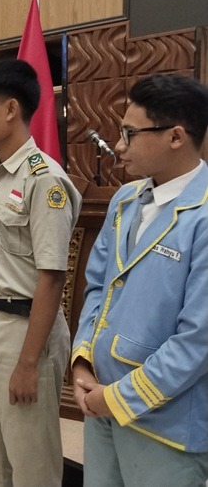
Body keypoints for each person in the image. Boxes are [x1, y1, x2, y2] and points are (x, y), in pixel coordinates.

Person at [0, 59, 81, 487]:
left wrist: (28, 363)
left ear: (10, 109)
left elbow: (52, 278)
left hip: (23, 331)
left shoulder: (45, 181)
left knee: (31, 461)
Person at [72, 75, 208, 486]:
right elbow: (98, 286)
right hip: (100, 400)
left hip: (164, 421)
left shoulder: (202, 216)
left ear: (176, 136)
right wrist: (83, 362)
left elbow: (197, 340)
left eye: (130, 134)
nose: (118, 145)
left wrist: (118, 398)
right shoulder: (125, 199)